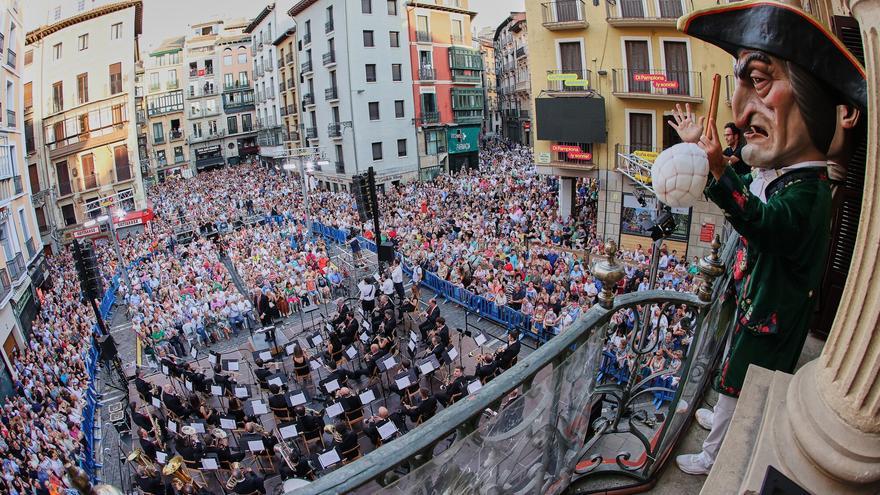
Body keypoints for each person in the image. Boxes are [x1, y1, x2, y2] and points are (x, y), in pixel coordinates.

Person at [668, 1, 866, 476]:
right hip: (758, 305)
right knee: (732, 372)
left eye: (758, 81)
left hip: (771, 316)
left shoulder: (806, 194)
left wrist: (717, 167)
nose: (739, 107)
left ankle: (714, 453)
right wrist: (707, 150)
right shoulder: (790, 175)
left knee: (741, 384)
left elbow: (761, 220)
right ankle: (721, 419)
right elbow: (742, 167)